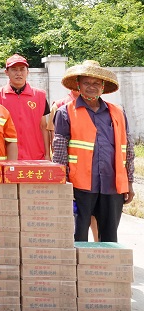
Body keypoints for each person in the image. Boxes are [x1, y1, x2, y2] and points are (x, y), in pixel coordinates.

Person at [52, 61, 135, 242]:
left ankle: (106, 261)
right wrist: (62, 183)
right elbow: (59, 153)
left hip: (112, 185)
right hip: (79, 186)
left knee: (109, 240)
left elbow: (128, 149)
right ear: (78, 85)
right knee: (77, 238)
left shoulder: (118, 113)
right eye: (87, 82)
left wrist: (129, 182)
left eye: (96, 83)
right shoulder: (65, 113)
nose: (91, 86)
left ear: (103, 86)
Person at [0, 54, 49, 160]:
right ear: (6, 72)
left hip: (35, 155)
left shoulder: (40, 96)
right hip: (5, 155)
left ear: (27, 72)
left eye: (22, 69)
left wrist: (47, 154)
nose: (19, 73)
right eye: (14, 69)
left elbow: (43, 127)